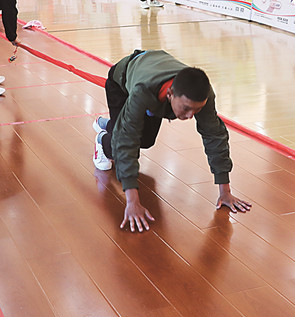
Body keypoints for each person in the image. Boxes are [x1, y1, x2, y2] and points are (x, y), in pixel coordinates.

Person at [91, 50, 251, 231]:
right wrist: (132, 201)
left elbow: (214, 136)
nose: (190, 116)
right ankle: (103, 140)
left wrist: (225, 192)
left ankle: (111, 124)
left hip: (151, 76)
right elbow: (126, 140)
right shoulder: (142, 91)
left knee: (146, 141)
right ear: (170, 94)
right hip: (122, 83)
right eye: (186, 108)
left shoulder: (204, 95)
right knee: (125, 140)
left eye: (196, 110)